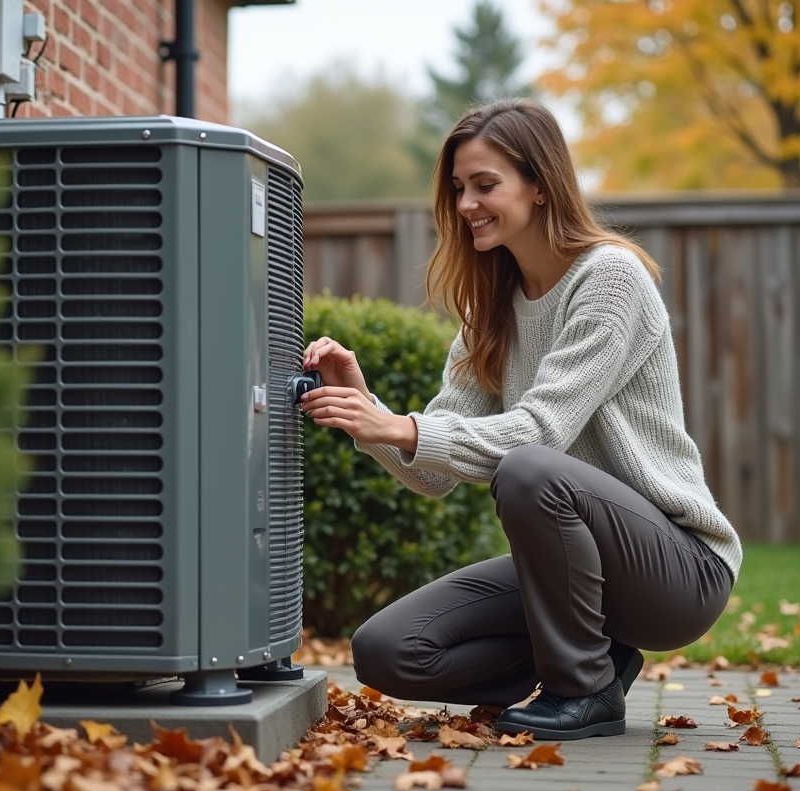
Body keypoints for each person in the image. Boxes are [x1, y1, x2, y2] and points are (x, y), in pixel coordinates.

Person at [298, 98, 741, 741]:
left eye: (485, 185)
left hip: (677, 569)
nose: (465, 204)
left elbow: (539, 434)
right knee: (389, 649)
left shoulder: (609, 278)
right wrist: (374, 418)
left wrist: (404, 428)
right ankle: (598, 661)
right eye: (457, 188)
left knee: (530, 468)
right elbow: (435, 476)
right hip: (579, 573)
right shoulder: (492, 311)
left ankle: (583, 692)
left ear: (539, 186)